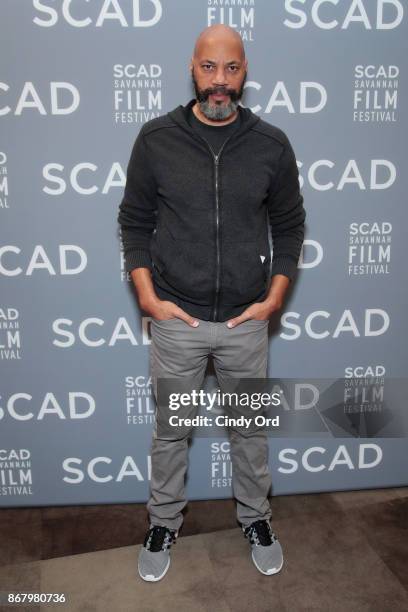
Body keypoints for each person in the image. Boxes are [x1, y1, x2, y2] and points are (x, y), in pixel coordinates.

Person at [117, 24, 306, 581]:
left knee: (249, 432)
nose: (220, 82)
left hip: (246, 321)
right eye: (209, 68)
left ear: (245, 72)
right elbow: (134, 221)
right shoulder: (156, 140)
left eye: (232, 69)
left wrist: (274, 295)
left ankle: (255, 517)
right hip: (178, 320)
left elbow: (290, 225)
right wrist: (148, 297)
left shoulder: (271, 143)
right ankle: (163, 520)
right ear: (192, 68)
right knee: (171, 432)